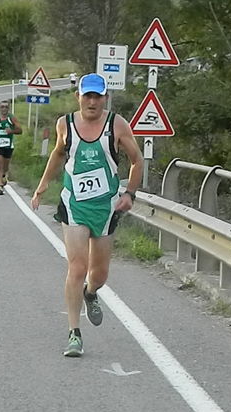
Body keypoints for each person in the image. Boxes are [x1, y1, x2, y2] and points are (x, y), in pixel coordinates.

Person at [31, 73, 143, 357]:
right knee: (77, 267)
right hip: (74, 204)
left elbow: (137, 160)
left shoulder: (117, 124)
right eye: (87, 96)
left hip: (105, 207)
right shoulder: (64, 124)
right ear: (78, 97)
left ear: (105, 98)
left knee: (99, 274)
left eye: (97, 96)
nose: (92, 102)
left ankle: (91, 293)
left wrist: (129, 193)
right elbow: (58, 153)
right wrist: (43, 185)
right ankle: (74, 333)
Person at [0, 100, 23, 195]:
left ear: (9, 108)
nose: (4, 109)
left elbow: (20, 130)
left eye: (6, 107)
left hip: (8, 145)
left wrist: (11, 131)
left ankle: (2, 176)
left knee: (5, 166)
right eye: (2, 107)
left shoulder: (12, 118)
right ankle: (0, 185)